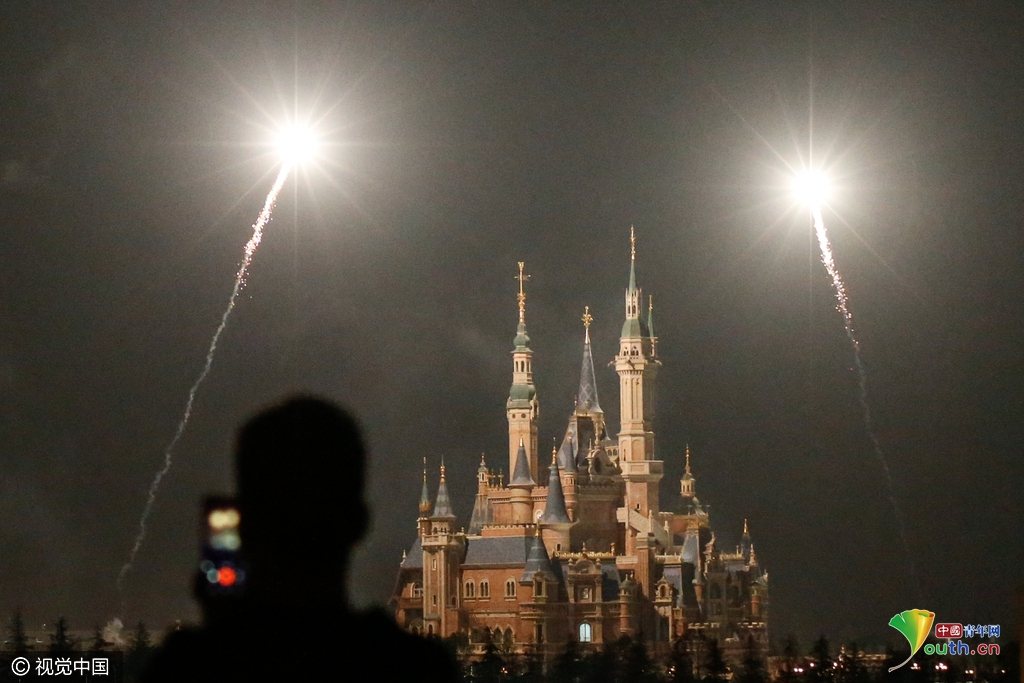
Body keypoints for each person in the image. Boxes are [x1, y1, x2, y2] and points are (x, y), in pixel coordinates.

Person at [143, 396, 459, 683]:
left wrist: (220, 632)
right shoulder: (415, 667)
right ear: (359, 522)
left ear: (246, 524)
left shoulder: (188, 666)